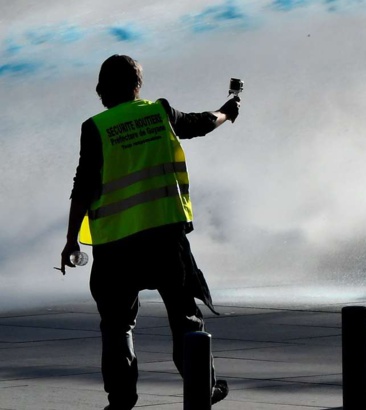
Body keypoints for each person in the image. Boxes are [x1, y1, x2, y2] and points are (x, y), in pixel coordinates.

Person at [58, 54, 240, 409]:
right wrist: (227, 113)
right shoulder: (160, 113)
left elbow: (83, 186)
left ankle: (122, 400)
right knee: (185, 317)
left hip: (116, 245)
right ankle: (202, 388)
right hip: (165, 241)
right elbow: (201, 123)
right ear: (138, 85)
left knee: (116, 326)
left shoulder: (94, 127)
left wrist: (70, 240)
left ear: (100, 89)